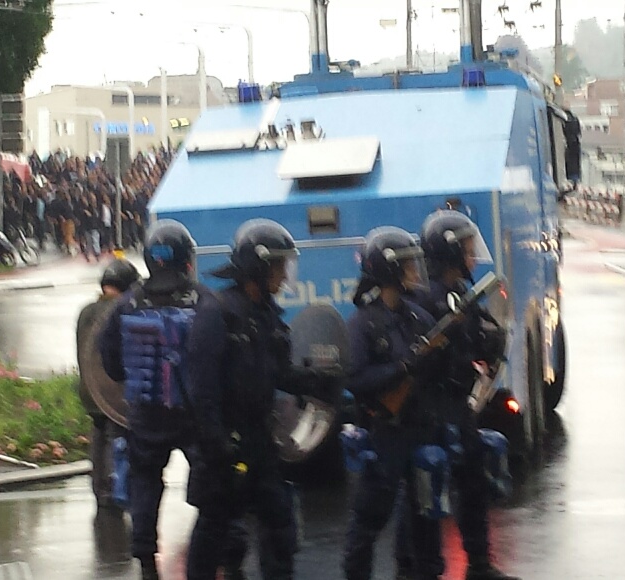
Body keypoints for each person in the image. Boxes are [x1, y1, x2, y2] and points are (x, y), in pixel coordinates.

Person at [185, 218, 324, 580]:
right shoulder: (216, 315)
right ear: (258, 267)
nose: (284, 275)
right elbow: (201, 390)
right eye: (279, 265)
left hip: (259, 440)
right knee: (213, 530)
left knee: (280, 525)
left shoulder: (266, 317)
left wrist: (316, 381)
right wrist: (218, 446)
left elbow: (278, 373)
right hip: (224, 445)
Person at [400, 210, 518, 580]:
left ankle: (479, 564)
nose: (472, 257)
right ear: (448, 254)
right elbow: (425, 354)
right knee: (426, 491)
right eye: (466, 250)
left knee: (473, 481)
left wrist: (487, 340)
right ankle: (418, 570)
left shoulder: (458, 294)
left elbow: (472, 337)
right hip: (432, 406)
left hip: (457, 405)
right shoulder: (426, 299)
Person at [99, 220, 205, 580]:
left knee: (145, 486)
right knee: (215, 483)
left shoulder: (127, 304)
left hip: (146, 414)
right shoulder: (202, 300)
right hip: (194, 414)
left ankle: (146, 562)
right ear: (185, 258)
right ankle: (225, 556)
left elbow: (109, 359)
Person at [342, 226, 448, 580]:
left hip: (419, 429)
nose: (415, 271)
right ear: (389, 270)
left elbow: (437, 360)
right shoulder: (362, 324)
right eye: (407, 265)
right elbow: (355, 379)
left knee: (426, 515)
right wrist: (401, 368)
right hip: (384, 433)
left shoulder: (417, 316)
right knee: (369, 520)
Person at [77, 259, 141, 512]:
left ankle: (99, 489)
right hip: (111, 391)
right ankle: (113, 490)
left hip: (88, 388)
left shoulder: (86, 310)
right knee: (116, 438)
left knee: (99, 435)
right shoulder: (119, 310)